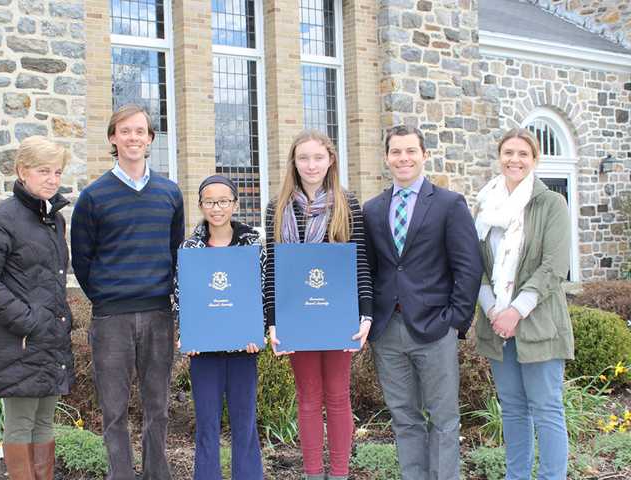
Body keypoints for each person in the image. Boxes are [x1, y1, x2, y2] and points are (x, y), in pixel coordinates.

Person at [71, 104, 184, 480]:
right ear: (112, 138)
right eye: (125, 130)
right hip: (111, 318)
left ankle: (157, 475)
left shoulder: (170, 193)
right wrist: (106, 296)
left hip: (157, 314)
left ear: (151, 138)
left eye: (140, 131)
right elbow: (82, 260)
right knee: (114, 410)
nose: (133, 137)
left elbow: (174, 250)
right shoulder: (93, 196)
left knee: (158, 407)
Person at [363, 125, 483, 480]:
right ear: (386, 158)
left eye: (410, 151)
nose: (403, 158)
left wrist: (455, 320)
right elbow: (369, 269)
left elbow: (469, 265)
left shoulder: (448, 204)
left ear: (423, 155)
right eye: (396, 152)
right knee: (404, 419)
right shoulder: (372, 209)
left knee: (445, 419)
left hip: (435, 329)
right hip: (388, 331)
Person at [263, 129, 373, 480]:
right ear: (293, 163)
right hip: (297, 318)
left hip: (339, 316)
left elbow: (360, 263)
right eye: (303, 158)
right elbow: (273, 270)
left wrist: (366, 314)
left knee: (339, 398)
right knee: (308, 398)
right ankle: (313, 473)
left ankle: (339, 474)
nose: (311, 165)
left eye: (318, 157)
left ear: (331, 160)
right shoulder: (276, 207)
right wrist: (273, 321)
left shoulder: (347, 203)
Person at [0, 136, 74, 480]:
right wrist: (27, 322)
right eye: (44, 170)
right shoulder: (1, 218)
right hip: (20, 342)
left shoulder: (54, 220)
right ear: (22, 171)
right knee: (20, 423)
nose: (52, 179)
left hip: (48, 339)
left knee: (44, 421)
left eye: (57, 171)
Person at [474, 128, 574, 480]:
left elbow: (554, 266)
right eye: (508, 153)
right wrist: (492, 310)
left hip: (538, 323)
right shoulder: (485, 205)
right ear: (499, 156)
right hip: (497, 324)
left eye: (522, 154)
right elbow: (476, 266)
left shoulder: (551, 204)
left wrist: (516, 311)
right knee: (514, 410)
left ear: (534, 160)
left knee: (546, 408)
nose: (514, 160)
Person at [173, 175, 265, 480]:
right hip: (205, 351)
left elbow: (263, 292)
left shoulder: (253, 245)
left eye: (224, 201)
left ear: (235, 204)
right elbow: (179, 296)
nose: (217, 208)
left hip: (243, 349)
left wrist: (258, 331)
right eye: (210, 201)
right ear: (200, 205)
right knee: (207, 426)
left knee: (245, 424)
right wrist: (186, 333)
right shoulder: (189, 248)